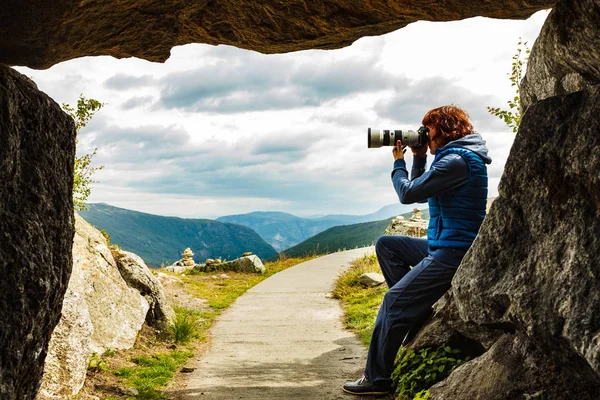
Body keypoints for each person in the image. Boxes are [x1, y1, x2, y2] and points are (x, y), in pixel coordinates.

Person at [343, 105, 492, 396]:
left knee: (392, 301)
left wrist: (399, 162)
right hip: (443, 244)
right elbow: (422, 190)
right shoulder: (457, 157)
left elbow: (408, 193)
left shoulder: (456, 161)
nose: (424, 134)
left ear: (444, 128)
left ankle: (377, 379)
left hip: (452, 252)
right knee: (388, 245)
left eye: (428, 128)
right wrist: (420, 158)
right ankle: (415, 312)